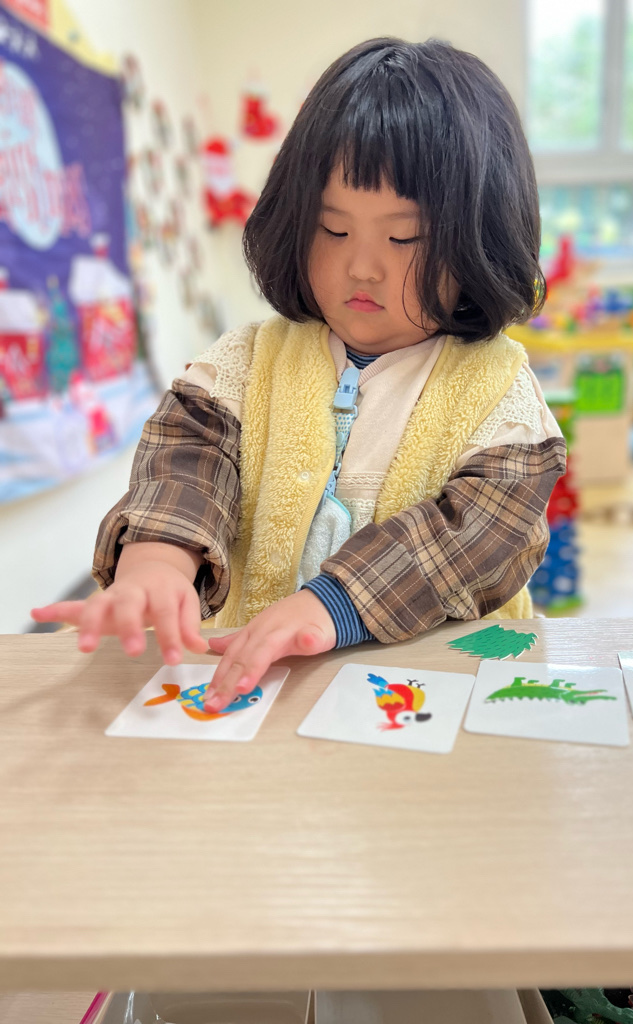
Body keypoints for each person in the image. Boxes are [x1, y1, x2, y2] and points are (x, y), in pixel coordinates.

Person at [32, 37, 566, 712]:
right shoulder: (244, 365)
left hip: (433, 696)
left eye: (405, 237)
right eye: (332, 230)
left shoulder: (498, 394)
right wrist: (158, 561)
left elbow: (481, 535)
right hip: (259, 692)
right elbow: (187, 464)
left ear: (480, 239)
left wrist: (334, 605)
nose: (361, 267)